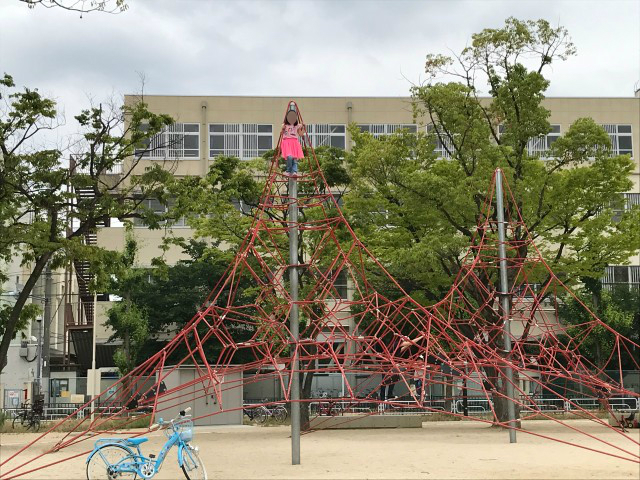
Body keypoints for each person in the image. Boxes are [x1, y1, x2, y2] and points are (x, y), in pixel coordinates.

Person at [280, 109, 305, 176]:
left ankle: (294, 172)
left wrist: (304, 127)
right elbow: (281, 133)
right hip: (287, 142)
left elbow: (300, 134)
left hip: (294, 142)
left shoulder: (297, 125)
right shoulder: (285, 125)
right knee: (289, 157)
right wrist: (282, 128)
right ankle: (288, 170)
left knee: (294, 158)